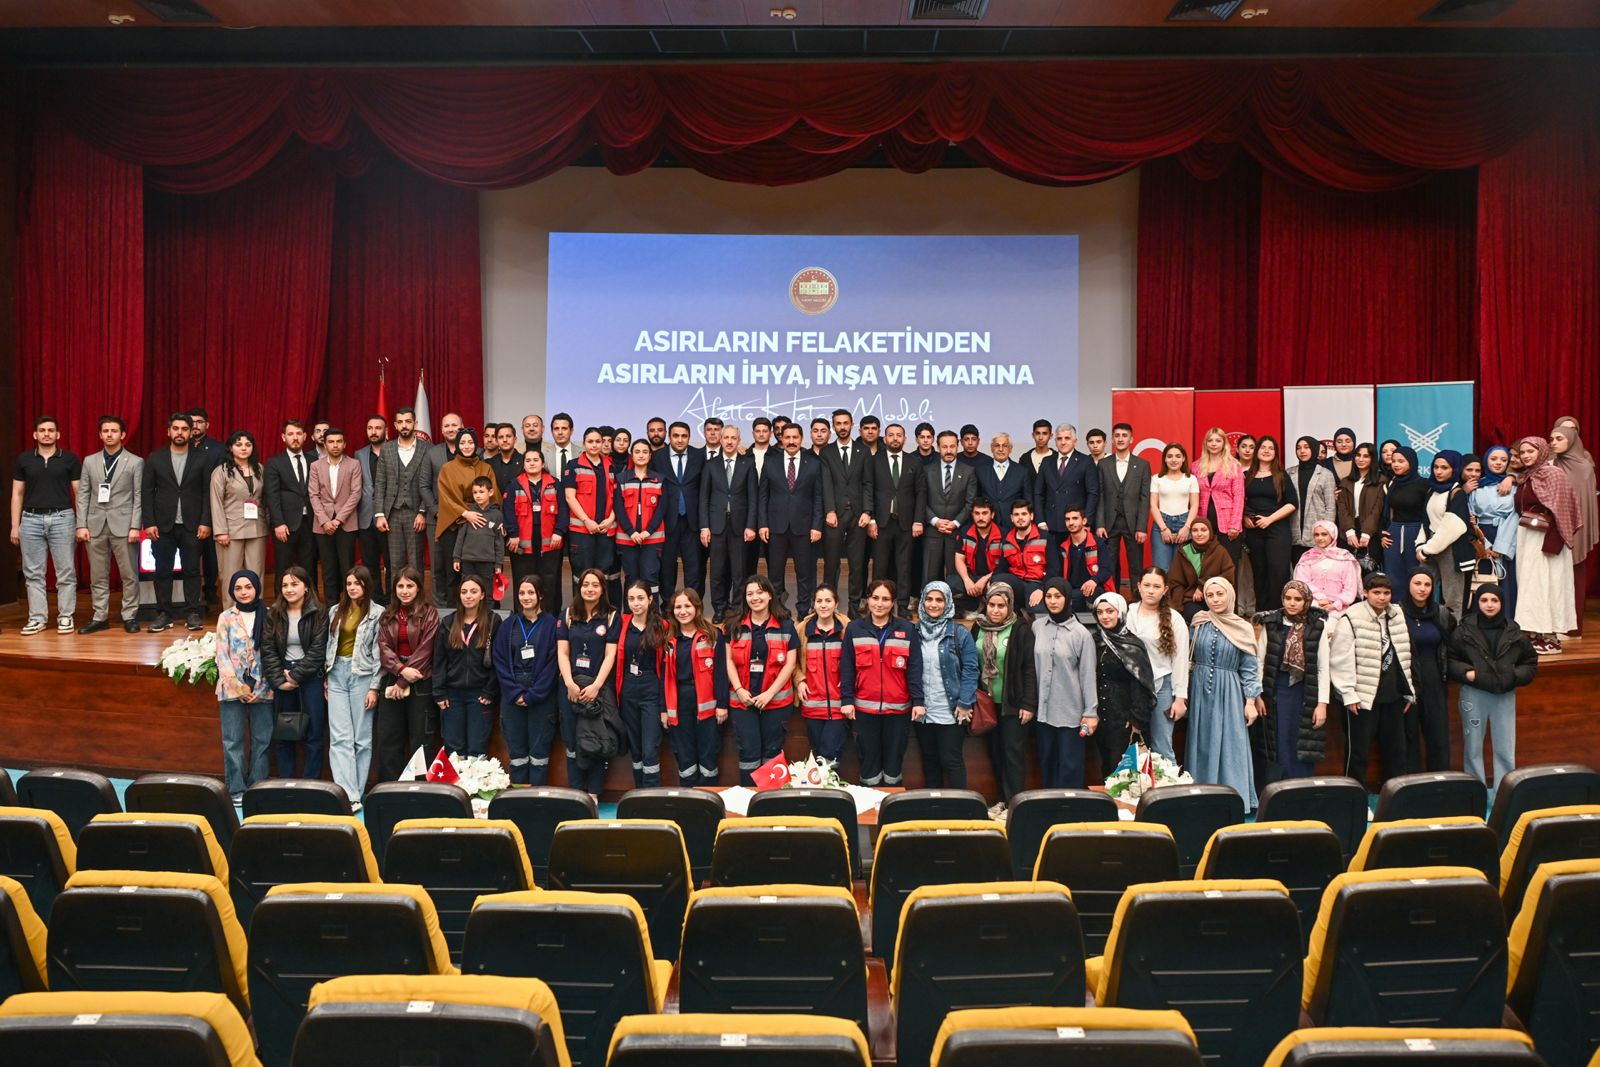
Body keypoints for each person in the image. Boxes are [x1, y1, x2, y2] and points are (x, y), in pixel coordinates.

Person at [1448, 584, 1538, 787]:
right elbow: (1450, 659)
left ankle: (1503, 794)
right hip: (1474, 693)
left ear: (1502, 603)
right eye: (1484, 600)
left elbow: (1530, 662)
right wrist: (1468, 674)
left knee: (1505, 748)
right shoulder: (1463, 631)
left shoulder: (1514, 631)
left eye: (1494, 600)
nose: (1489, 605)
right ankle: (1475, 793)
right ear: (1477, 602)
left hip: (1504, 695)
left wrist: (1514, 675)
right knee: (1472, 749)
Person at [1330, 571, 1414, 786]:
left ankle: (1396, 798)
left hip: (1392, 694)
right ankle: (1356, 798)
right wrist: (1348, 694)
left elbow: (1404, 654)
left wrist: (1408, 691)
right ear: (1365, 593)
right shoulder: (1351, 617)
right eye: (1376, 592)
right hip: (1362, 697)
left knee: (1397, 751)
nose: (1382, 597)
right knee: (1358, 752)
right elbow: (1340, 659)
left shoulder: (1397, 614)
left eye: (1386, 593)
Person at [1186, 577, 1263, 810]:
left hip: (1229, 690)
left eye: (1220, 594)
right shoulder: (1198, 622)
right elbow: (1188, 659)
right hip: (1199, 690)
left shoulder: (1243, 626)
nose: (1215, 599)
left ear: (1229, 595)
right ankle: (1201, 798)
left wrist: (1250, 701)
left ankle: (1234, 799)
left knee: (1231, 743)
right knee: (1201, 741)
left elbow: (1249, 667)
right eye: (1210, 595)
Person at [841, 579, 924, 787]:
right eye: (875, 598)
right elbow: (847, 667)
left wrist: (918, 701)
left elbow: (914, 667)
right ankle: (871, 808)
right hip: (864, 710)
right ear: (868, 600)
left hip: (898, 711)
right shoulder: (854, 628)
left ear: (893, 602)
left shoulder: (907, 629)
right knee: (868, 763)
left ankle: (891, 809)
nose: (880, 604)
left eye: (886, 599)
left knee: (894, 764)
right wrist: (846, 699)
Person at [724, 575, 799, 786]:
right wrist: (738, 689)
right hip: (743, 701)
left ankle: (771, 806)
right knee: (748, 753)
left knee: (772, 754)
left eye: (759, 592)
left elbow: (790, 664)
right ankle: (748, 805)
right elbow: (728, 660)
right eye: (750, 594)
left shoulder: (786, 625)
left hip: (776, 702)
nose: (755, 597)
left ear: (769, 595)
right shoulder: (733, 625)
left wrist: (769, 694)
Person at [1511, 436, 1583, 654]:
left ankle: (1550, 635)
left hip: (1547, 537)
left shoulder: (1553, 474)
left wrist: (1553, 541)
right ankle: (1534, 631)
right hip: (1528, 535)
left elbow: (1563, 510)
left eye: (1530, 451)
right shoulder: (1527, 477)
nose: (1525, 456)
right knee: (1531, 584)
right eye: (1522, 453)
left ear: (1541, 451)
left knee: (1547, 583)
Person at [11, 415, 81, 636]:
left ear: (58, 435)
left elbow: (79, 493)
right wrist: (15, 525)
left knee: (66, 572)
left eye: (51, 430)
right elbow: (17, 494)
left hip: (63, 518)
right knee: (32, 573)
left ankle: (65, 617)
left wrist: (82, 523)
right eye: (42, 430)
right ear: (35, 435)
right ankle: (37, 618)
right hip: (30, 520)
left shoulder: (69, 459)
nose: (47, 434)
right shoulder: (24, 460)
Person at [143, 412, 212, 632]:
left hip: (193, 525)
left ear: (191, 432)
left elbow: (206, 491)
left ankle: (192, 612)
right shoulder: (155, 457)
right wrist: (149, 523)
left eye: (184, 429)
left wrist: (205, 522)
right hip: (162, 525)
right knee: (162, 571)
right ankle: (164, 614)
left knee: (192, 570)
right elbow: (147, 492)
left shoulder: (201, 458)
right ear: (169, 431)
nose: (180, 432)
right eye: (176, 428)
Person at [971, 583, 1037, 809]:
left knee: (1013, 754)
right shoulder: (978, 627)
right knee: (996, 754)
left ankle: (1015, 804)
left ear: (1010, 606)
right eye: (991, 605)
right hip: (987, 705)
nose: (995, 610)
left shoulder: (1020, 629)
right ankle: (1001, 800)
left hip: (1013, 704)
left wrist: (1028, 704)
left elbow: (1029, 668)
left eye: (1001, 605)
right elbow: (972, 663)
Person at [74, 415, 143, 633]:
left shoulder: (135, 461)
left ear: (122, 435)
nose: (109, 434)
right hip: (94, 525)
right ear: (100, 434)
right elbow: (83, 494)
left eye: (114, 431)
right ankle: (99, 616)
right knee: (98, 575)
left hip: (124, 525)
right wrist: (81, 524)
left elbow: (138, 496)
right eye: (105, 431)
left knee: (129, 574)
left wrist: (135, 526)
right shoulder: (89, 461)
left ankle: (129, 615)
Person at [324, 565, 384, 806]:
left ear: (366, 585)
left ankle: (355, 794)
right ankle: (346, 795)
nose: (352, 588)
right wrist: (327, 677)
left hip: (363, 675)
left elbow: (379, 653)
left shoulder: (378, 613)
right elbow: (329, 644)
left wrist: (374, 687)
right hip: (337, 673)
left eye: (357, 584)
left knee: (361, 739)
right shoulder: (334, 611)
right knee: (339, 738)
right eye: (348, 584)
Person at [557, 568, 620, 795]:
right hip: (571, 689)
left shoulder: (612, 616)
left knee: (596, 742)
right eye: (585, 585)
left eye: (595, 585)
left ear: (603, 589)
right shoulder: (567, 615)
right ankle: (576, 795)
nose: (590, 589)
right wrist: (569, 684)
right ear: (579, 587)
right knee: (572, 742)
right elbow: (563, 653)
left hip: (598, 690)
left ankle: (593, 795)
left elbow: (610, 655)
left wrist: (596, 686)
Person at [492, 575, 560, 785]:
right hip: (513, 696)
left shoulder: (552, 625)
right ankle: (519, 798)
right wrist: (515, 693)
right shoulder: (508, 625)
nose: (526, 597)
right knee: (517, 755)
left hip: (541, 696)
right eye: (522, 593)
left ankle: (536, 800)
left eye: (531, 592)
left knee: (539, 754)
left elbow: (553, 663)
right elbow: (500, 660)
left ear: (540, 595)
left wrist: (533, 695)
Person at [262, 566, 329, 779]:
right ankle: (286, 784)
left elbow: (319, 650)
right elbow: (268, 648)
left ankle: (311, 785)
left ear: (306, 587)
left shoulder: (319, 612)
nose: (289, 589)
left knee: (314, 734)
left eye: (294, 584)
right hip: (282, 678)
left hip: (310, 679)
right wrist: (279, 679)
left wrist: (296, 675)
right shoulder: (274, 613)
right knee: (284, 734)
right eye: (284, 585)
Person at [1031, 577, 1098, 788]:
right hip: (1043, 712)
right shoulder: (1037, 627)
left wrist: (1091, 712)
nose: (1052, 601)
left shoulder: (1082, 635)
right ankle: (1049, 812)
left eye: (1058, 596)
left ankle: (1070, 813)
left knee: (1070, 767)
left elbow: (1088, 676)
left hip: (1070, 713)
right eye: (1048, 596)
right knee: (1047, 764)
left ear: (1067, 599)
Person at [374, 566, 440, 780]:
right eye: (400, 586)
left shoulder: (430, 613)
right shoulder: (387, 614)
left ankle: (421, 794)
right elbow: (383, 648)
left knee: (421, 741)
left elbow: (426, 650)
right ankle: (389, 793)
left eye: (410, 586)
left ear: (419, 588)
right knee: (388, 740)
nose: (405, 590)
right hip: (393, 677)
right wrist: (401, 672)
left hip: (421, 681)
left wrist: (403, 682)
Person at [912, 580, 978, 789]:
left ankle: (959, 814)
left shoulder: (960, 633)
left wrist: (965, 702)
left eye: (939, 600)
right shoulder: (914, 632)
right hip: (923, 711)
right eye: (929, 599)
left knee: (952, 761)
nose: (933, 604)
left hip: (951, 710)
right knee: (930, 762)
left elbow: (971, 670)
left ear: (947, 603)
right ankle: (935, 813)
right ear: (922, 602)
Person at [214, 569, 271, 802]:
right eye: (238, 588)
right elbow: (222, 655)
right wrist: (239, 688)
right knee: (232, 741)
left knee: (262, 741)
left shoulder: (270, 614)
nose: (244, 592)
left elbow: (273, 653)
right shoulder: (226, 617)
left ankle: (257, 787)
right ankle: (236, 789)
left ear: (257, 588)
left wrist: (261, 688)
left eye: (248, 587)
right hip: (231, 688)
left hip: (264, 688)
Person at [758, 422, 825, 614]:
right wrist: (762, 523)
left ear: (801, 439)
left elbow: (819, 496)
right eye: (787, 437)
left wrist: (816, 525)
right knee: (775, 574)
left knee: (805, 573)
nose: (791, 441)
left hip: (804, 527)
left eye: (795, 437)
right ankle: (777, 610)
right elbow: (763, 495)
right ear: (781, 438)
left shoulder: (813, 463)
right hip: (776, 526)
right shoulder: (770, 462)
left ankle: (804, 610)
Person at [432, 574, 500, 758]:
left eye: (473, 591)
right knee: (454, 751)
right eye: (464, 592)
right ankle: (454, 788)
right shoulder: (448, 623)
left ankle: (474, 787)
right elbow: (439, 660)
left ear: (482, 595)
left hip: (480, 696)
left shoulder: (493, 622)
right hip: (452, 696)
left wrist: (489, 690)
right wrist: (439, 692)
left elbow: (498, 661)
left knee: (477, 749)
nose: (468, 596)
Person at [1090, 591, 1155, 778]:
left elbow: (1141, 683)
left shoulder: (1132, 644)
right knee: (1106, 769)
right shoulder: (1095, 641)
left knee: (1126, 773)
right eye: (1100, 612)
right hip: (1102, 716)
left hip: (1125, 719)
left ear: (1120, 612)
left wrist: (1137, 719)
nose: (1105, 616)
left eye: (1110, 611)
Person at [662, 587, 723, 788]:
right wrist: (664, 709)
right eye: (678, 607)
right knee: (684, 753)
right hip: (679, 701)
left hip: (706, 703)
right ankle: (689, 800)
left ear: (697, 608)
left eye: (687, 606)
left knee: (708, 753)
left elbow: (721, 672)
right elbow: (663, 676)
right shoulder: (668, 639)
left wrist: (722, 704)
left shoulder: (713, 635)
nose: (683, 611)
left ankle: (709, 797)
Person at [1126, 568, 1189, 761]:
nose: (1150, 590)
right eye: (1146, 585)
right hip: (1132, 687)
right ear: (1138, 587)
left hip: (1161, 686)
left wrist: (1180, 698)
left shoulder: (1174, 619)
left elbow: (1180, 660)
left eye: (1156, 586)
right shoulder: (1127, 613)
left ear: (1165, 590)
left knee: (1162, 748)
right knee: (1132, 748)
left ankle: (1168, 791)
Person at [204, 430, 270, 612]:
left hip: (257, 528)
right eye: (239, 444)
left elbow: (265, 500)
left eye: (248, 445)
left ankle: (256, 614)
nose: (243, 448)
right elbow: (215, 502)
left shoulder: (260, 469)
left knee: (256, 574)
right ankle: (230, 615)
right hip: (230, 530)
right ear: (231, 448)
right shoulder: (221, 471)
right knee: (230, 575)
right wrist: (220, 531)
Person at [1399, 566, 1455, 773]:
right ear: (1408, 585)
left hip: (1434, 676)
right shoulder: (1397, 612)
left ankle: (1440, 782)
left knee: (1438, 732)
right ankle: (1412, 784)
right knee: (1408, 733)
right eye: (1417, 583)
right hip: (1406, 677)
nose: (1422, 589)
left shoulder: (1441, 613)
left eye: (1427, 584)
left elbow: (1451, 645)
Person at [614, 580, 668, 787]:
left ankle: (651, 796)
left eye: (640, 598)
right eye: (631, 599)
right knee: (635, 747)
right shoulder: (621, 622)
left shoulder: (661, 625)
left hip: (651, 688)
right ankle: (638, 794)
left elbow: (665, 667)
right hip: (627, 687)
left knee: (650, 747)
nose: (635, 603)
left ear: (650, 599)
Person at [701, 424, 757, 616]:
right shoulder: (710, 465)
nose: (730, 441)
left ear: (739, 440)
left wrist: (751, 525)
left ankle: (736, 609)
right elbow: (704, 498)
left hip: (740, 527)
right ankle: (719, 608)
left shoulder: (747, 464)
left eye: (734, 438)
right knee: (717, 571)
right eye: (726, 437)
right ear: (720, 439)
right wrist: (704, 527)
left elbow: (753, 498)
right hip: (716, 526)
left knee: (739, 572)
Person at [868, 423, 924, 613]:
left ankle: (902, 606)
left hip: (906, 523)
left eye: (898, 435)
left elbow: (920, 493)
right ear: (884, 439)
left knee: (904, 566)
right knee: (880, 568)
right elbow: (869, 490)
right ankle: (877, 605)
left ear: (904, 438)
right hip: (881, 523)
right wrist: (871, 519)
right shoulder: (874, 461)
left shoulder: (914, 462)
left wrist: (918, 520)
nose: (895, 438)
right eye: (891, 435)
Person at [821, 409, 875, 608]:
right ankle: (828, 604)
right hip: (834, 514)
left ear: (852, 425)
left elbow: (868, 483)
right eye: (838, 423)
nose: (842, 427)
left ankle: (854, 606)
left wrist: (867, 512)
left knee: (857, 563)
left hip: (858, 515)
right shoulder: (827, 452)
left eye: (845, 423)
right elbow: (826, 484)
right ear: (833, 426)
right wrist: (829, 510)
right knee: (831, 563)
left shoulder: (864, 451)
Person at [504, 448, 565, 616]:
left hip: (550, 540)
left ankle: (550, 618)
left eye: (535, 460)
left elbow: (563, 510)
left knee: (550, 581)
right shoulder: (514, 484)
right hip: (523, 542)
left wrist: (559, 532)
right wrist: (513, 533)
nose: (532, 463)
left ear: (543, 463)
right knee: (523, 581)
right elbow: (508, 511)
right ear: (523, 464)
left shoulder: (555, 483)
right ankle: (522, 617)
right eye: (528, 460)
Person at [373, 407, 429, 590]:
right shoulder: (387, 449)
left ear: (415, 424)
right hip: (393, 514)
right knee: (394, 563)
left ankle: (418, 606)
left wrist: (422, 511)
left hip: (416, 514)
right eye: (401, 422)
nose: (404, 425)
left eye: (408, 421)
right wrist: (379, 514)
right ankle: (396, 608)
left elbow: (429, 484)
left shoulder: (427, 448)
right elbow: (380, 483)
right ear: (395, 425)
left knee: (415, 563)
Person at [1550, 419, 1595, 637]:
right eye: (1554, 437)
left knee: (1574, 578)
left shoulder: (1585, 466)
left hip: (1575, 530)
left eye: (1567, 433)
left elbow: (1586, 501)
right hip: (1552, 529)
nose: (1555, 442)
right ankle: (1552, 624)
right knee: (1553, 578)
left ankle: (1571, 626)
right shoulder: (1549, 463)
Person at [307, 428, 363, 605]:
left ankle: (349, 605)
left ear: (345, 444)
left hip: (346, 524)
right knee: (328, 568)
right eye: (331, 441)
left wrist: (338, 520)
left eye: (339, 441)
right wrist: (325, 521)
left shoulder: (353, 464)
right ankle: (331, 605)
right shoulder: (316, 466)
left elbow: (356, 494)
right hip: (322, 526)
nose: (335, 445)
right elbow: (313, 495)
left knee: (347, 567)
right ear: (324, 444)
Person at [1242, 436, 1298, 609]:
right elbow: (1240, 501)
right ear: (1257, 451)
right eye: (1263, 447)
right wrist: (1244, 518)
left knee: (1278, 571)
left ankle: (1279, 612)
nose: (1266, 450)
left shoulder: (1281, 475)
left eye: (1271, 448)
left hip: (1277, 529)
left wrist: (1270, 519)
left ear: (1275, 453)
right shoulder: (1246, 476)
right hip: (1254, 531)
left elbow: (1292, 504)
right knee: (1259, 572)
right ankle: (1262, 613)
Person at [795, 585, 850, 762]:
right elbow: (793, 662)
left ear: (836, 604)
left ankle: (830, 788)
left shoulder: (847, 629)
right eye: (819, 601)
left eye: (828, 601)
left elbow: (857, 660)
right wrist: (799, 680)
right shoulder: (803, 630)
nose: (823, 605)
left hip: (839, 707)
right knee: (819, 755)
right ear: (814, 604)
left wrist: (849, 678)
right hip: (811, 707)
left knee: (828, 756)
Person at [1096, 423, 1152, 592]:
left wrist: (1142, 527)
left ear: (1131, 439)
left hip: (1134, 524)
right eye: (1117, 435)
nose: (1120, 439)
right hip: (1109, 523)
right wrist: (1099, 524)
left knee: (1136, 565)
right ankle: (1112, 600)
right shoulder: (1104, 464)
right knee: (1110, 565)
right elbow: (1100, 495)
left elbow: (1145, 498)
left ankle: (1137, 601)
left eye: (1124, 435)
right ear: (1112, 439)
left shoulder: (1142, 465)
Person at [651, 421, 706, 598]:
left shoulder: (699, 455)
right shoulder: (658, 457)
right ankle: (667, 605)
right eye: (676, 435)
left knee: (694, 567)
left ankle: (693, 606)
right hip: (666, 520)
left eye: (684, 436)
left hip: (693, 520)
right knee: (666, 567)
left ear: (689, 437)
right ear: (669, 436)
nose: (680, 440)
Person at [1416, 451, 1474, 615]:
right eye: (1435, 467)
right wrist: (1420, 545)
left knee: (1453, 600)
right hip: (1430, 549)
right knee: (1421, 592)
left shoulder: (1458, 493)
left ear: (1454, 469)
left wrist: (1427, 549)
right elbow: (1426, 522)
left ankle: (1453, 636)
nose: (1438, 471)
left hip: (1452, 551)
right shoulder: (1432, 491)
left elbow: (1452, 526)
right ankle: (1424, 628)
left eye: (1444, 468)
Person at [264, 419, 318, 586]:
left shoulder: (313, 461)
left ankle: (311, 605)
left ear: (305, 436)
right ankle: (281, 608)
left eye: (298, 434)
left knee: (309, 567)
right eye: (290, 434)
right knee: (283, 567)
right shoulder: (275, 463)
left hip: (310, 523)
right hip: (285, 525)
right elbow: (271, 495)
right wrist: (278, 523)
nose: (295, 437)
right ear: (283, 437)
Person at [920, 430, 977, 587]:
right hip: (933, 531)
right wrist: (935, 521)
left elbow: (970, 503)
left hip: (956, 531)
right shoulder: (926, 470)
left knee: (955, 575)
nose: (949, 450)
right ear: (938, 447)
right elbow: (921, 501)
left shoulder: (968, 471)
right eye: (945, 447)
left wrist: (955, 523)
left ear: (958, 446)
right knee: (930, 575)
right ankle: (929, 607)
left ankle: (956, 607)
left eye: (952, 446)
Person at [1468, 445, 1519, 617]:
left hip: (1506, 537)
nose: (1498, 463)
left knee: (1505, 580)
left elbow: (1515, 515)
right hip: (1482, 536)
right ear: (1486, 460)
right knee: (1483, 578)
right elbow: (1470, 516)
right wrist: (1484, 544)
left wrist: (1500, 546)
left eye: (1503, 460)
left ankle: (1506, 622)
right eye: (1494, 459)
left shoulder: (1514, 487)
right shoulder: (1476, 486)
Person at [1035, 424, 1100, 556]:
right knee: (1053, 565)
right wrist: (1041, 520)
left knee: (1075, 566)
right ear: (1055, 441)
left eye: (1067, 438)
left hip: (1076, 524)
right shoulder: (1047, 461)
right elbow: (1038, 493)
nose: (1063, 442)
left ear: (1075, 441)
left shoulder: (1085, 461)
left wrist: (1086, 521)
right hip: (1050, 525)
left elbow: (1093, 493)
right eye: (1059, 438)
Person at [614, 439, 666, 603]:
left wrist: (647, 532)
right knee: (631, 578)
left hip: (652, 539)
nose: (641, 455)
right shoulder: (621, 478)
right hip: (628, 539)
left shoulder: (659, 480)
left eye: (645, 452)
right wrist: (632, 532)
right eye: (637, 451)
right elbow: (619, 509)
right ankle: (629, 618)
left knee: (650, 577)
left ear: (650, 456)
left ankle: (653, 618)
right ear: (631, 455)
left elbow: (661, 509)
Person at [421, 411, 464, 602]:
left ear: (461, 427)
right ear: (441, 430)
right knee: (438, 568)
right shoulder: (431, 453)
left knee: (462, 566)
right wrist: (436, 510)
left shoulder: (473, 452)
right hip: (437, 520)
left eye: (454, 425)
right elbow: (424, 485)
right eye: (446, 426)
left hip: (464, 521)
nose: (450, 429)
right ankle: (440, 611)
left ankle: (461, 609)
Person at [1165, 516, 1236, 623]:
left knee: (1219, 619)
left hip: (1216, 598)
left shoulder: (1220, 551)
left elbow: (1228, 575)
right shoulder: (1183, 552)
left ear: (1210, 532)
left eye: (1204, 530)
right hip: (1191, 599)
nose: (1199, 534)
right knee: (1196, 618)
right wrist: (1176, 608)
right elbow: (1175, 581)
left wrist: (1203, 586)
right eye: (1195, 530)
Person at [1195, 426, 1245, 565]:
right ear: (1205, 443)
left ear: (1224, 443)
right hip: (1204, 521)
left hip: (1227, 522)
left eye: (1218, 440)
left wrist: (1235, 525)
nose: (1214, 443)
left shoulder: (1234, 465)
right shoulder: (1196, 466)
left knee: (1228, 563)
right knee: (1205, 564)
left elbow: (1239, 497)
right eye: (1210, 440)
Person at [1380, 446, 1429, 587]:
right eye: (1394, 461)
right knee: (1393, 574)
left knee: (1417, 575)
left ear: (1411, 463)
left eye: (1401, 461)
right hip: (1393, 534)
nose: (1396, 464)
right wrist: (1382, 533)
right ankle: (1396, 606)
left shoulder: (1424, 484)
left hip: (1416, 533)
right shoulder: (1393, 483)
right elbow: (1385, 511)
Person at [1335, 442, 1386, 574]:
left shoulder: (1381, 481)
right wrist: (1349, 531)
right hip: (1347, 533)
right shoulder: (1345, 481)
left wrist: (1366, 533)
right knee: (1346, 575)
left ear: (1373, 459)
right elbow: (1342, 508)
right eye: (1358, 455)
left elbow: (1377, 509)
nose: (1361, 459)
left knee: (1368, 575)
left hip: (1371, 533)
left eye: (1366, 456)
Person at [352, 415, 389, 597]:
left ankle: (392, 600)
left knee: (391, 564)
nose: (373, 432)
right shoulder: (359, 454)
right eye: (370, 428)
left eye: (378, 428)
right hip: (365, 517)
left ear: (386, 430)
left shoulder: (393, 450)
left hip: (389, 517)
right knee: (370, 564)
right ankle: (376, 600)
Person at [1149, 443, 1199, 574]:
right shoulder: (1156, 478)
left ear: (1183, 458)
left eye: (1178, 456)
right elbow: (1153, 505)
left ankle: (1179, 595)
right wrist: (1163, 528)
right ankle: (1164, 595)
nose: (1174, 460)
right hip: (1161, 524)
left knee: (1182, 570)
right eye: (1169, 456)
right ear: (1165, 459)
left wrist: (1187, 528)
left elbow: (1194, 505)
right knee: (1161, 570)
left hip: (1185, 524)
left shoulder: (1191, 479)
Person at [1293, 519, 1361, 616]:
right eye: (1316, 535)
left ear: (1332, 535)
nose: (1320, 538)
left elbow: (1350, 588)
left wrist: (1335, 605)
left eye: (1324, 534)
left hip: (1339, 608)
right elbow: (1302, 582)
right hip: (1311, 604)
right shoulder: (1308, 556)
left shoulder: (1345, 557)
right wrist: (1320, 599)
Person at [1288, 436, 1337, 566]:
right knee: (1298, 573)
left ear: (1314, 449)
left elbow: (1330, 507)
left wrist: (1327, 533)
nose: (1302, 451)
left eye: (1306, 447)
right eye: (1298, 448)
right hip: (1294, 533)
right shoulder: (1289, 473)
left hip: (1318, 535)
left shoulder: (1326, 474)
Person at [452, 475, 506, 592]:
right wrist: (456, 558)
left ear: (490, 492)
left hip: (487, 562)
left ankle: (487, 611)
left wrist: (498, 564)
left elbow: (499, 541)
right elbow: (460, 536)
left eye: (481, 492)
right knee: (467, 590)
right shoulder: (468, 512)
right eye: (475, 492)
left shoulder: (497, 515)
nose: (478, 495)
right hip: (468, 560)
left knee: (487, 592)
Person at [952, 498, 1004, 614]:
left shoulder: (1003, 534)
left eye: (985, 513)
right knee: (952, 583)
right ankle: (973, 605)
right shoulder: (964, 532)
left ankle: (986, 606)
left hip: (992, 577)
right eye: (977, 513)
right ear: (972, 515)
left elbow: (1005, 565)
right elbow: (959, 559)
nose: (980, 518)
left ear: (992, 515)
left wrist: (985, 579)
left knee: (1002, 584)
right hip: (972, 577)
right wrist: (966, 580)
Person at [997, 498, 1050, 609]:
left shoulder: (1045, 537)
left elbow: (1054, 569)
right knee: (997, 580)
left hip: (1037, 584)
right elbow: (1001, 568)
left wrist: (1043, 589)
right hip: (1016, 584)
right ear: (1011, 518)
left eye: (1024, 514)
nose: (1020, 517)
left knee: (1037, 611)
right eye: (1016, 515)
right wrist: (992, 581)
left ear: (1031, 516)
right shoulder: (1007, 540)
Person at [1059, 507, 1114, 612]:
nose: (1071, 522)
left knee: (1096, 594)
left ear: (1084, 521)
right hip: (1072, 591)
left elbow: (1106, 569)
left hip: (1095, 588)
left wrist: (1094, 580)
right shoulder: (1063, 546)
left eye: (1075, 518)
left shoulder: (1099, 543)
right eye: (1067, 519)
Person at [977, 432, 1031, 531]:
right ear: (992, 448)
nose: (1000, 449)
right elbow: (976, 499)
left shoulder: (1022, 471)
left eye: (1005, 446)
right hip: (987, 526)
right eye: (997, 446)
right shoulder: (980, 471)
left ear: (1010, 449)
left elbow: (1027, 501)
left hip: (1014, 526)